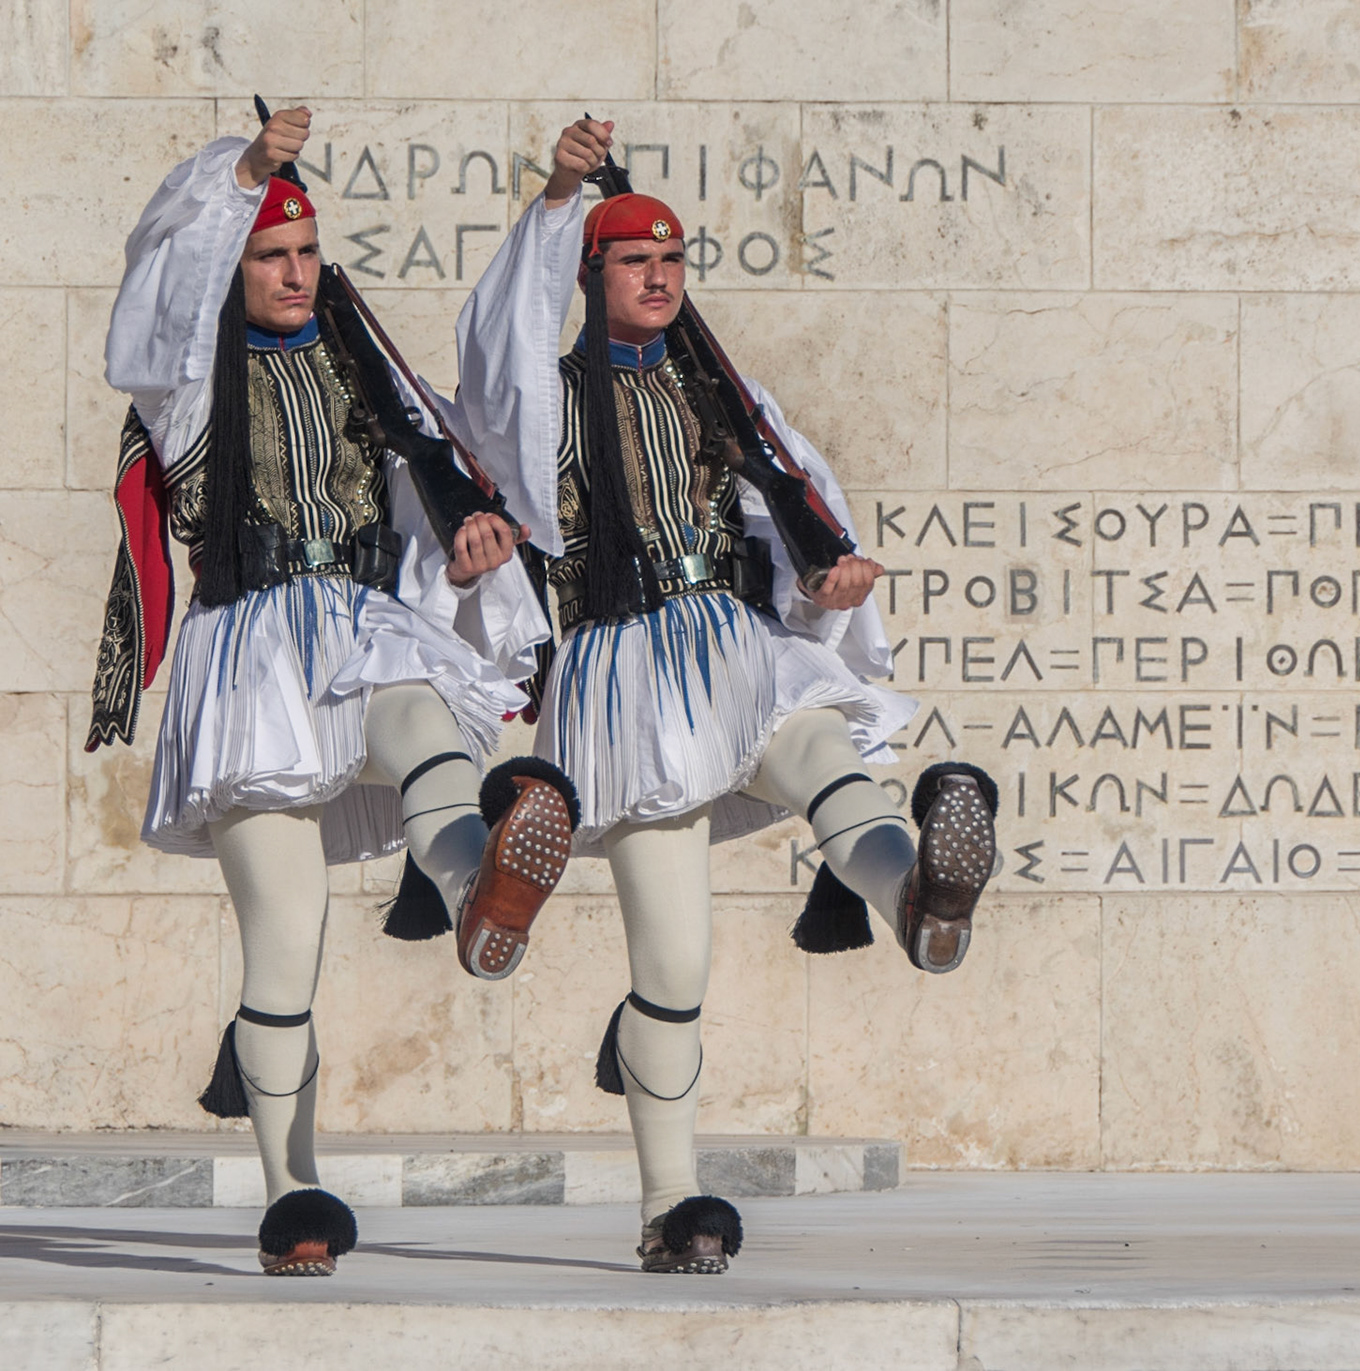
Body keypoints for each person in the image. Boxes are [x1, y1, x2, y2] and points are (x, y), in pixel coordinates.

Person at [449, 117, 999, 1273]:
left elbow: (795, 522)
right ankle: (670, 1202)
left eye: (674, 260)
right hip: (624, 675)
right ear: (592, 276)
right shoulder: (540, 407)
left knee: (837, 778)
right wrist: (557, 195)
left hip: (738, 646)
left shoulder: (727, 403)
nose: (660, 276)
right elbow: (497, 342)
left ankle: (923, 904)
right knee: (676, 968)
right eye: (634, 260)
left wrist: (830, 581)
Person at [92, 105, 579, 1276]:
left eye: (307, 251)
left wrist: (460, 551)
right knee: (286, 945)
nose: (296, 272)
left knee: (426, 716)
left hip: (360, 626)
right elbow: (163, 265)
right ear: (233, 267)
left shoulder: (367, 378)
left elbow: (437, 485)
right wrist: (241, 173)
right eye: (271, 252)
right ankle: (292, 1190)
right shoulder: (184, 385)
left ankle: (478, 881)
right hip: (250, 656)